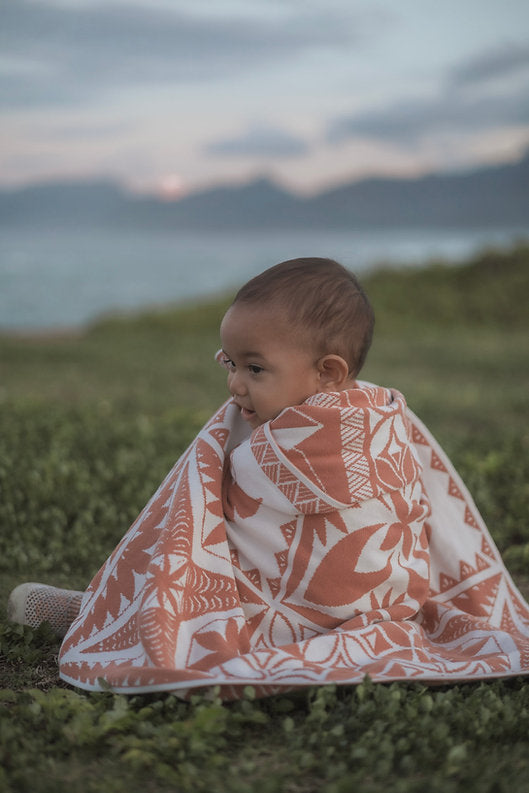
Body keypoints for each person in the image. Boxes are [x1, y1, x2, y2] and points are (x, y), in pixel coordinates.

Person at [7, 257, 529, 697]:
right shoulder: (384, 419)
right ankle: (117, 610)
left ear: (327, 372)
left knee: (194, 564)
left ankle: (118, 614)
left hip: (285, 616)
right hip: (390, 609)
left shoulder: (274, 448)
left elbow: (221, 529)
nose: (235, 385)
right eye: (230, 364)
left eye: (254, 369)